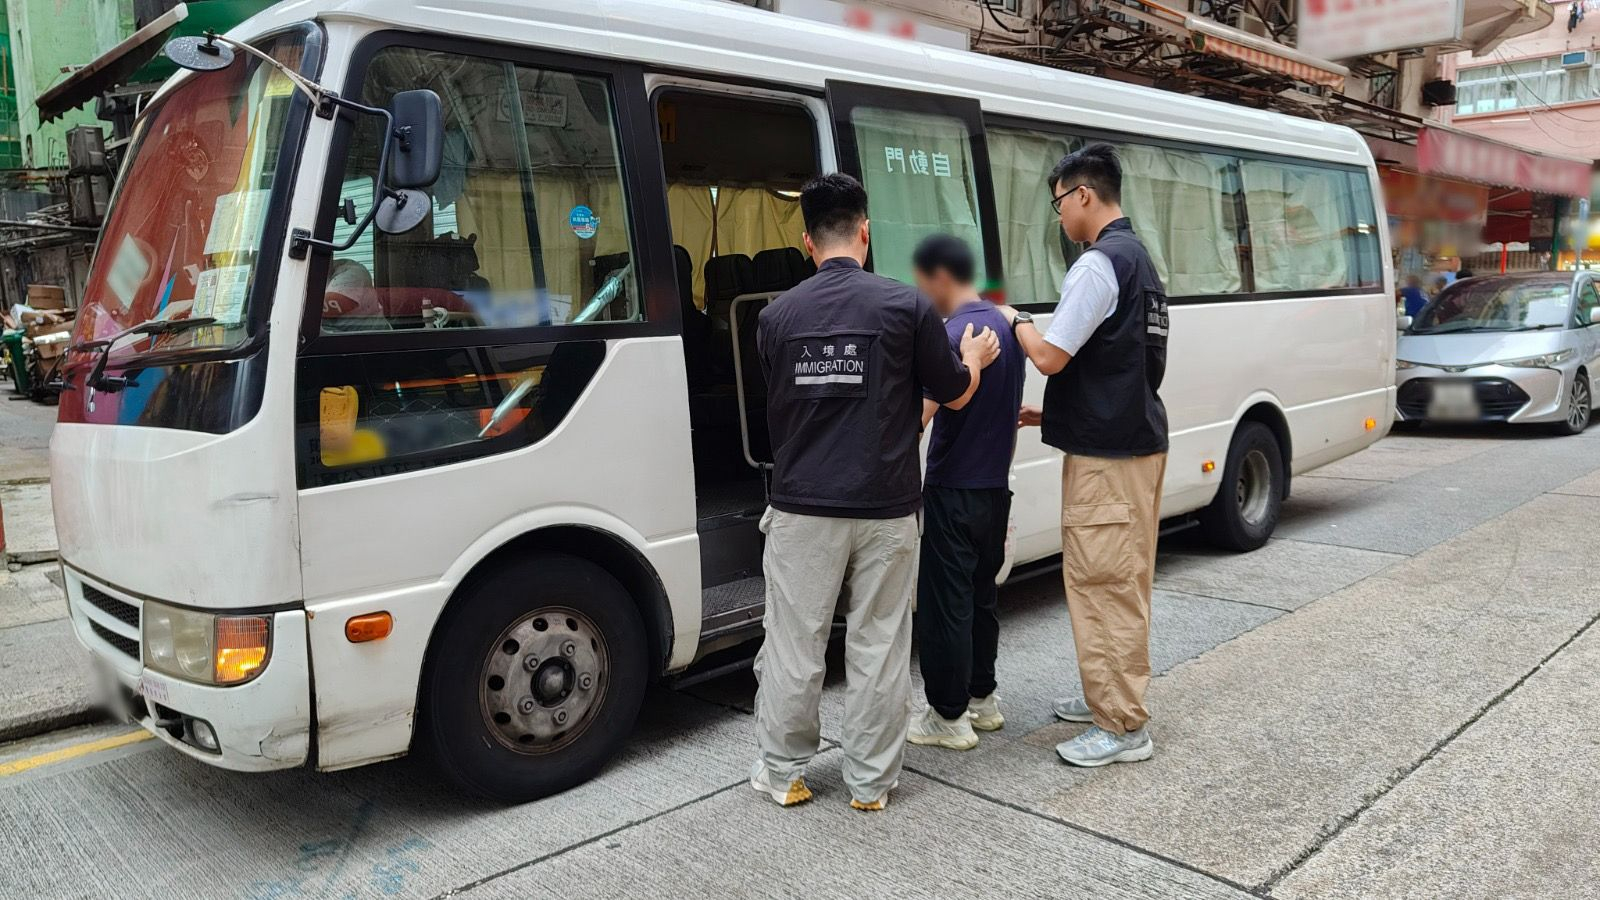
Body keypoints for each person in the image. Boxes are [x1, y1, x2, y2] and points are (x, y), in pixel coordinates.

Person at [750, 173, 1000, 810]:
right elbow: (953, 394)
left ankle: (783, 774)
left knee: (794, 643)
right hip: (888, 507)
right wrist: (973, 360)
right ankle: (870, 784)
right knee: (879, 645)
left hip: (802, 507)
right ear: (865, 232)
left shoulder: (775, 317)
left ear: (808, 242)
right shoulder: (907, 306)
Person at [996, 143, 1168, 767]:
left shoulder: (1098, 265)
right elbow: (1122, 366)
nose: (1060, 216)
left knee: (1103, 583)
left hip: (1108, 460)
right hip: (1134, 444)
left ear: (1084, 195)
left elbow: (1050, 356)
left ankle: (1120, 724)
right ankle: (1107, 696)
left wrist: (1014, 317)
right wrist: (1054, 414)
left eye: (1059, 204)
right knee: (1121, 578)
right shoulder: (1140, 260)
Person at [905, 234, 1025, 752]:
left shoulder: (951, 334)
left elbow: (921, 417)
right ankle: (983, 699)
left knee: (945, 605)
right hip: (995, 487)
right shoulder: (1008, 328)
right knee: (981, 598)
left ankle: (947, 716)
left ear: (939, 277)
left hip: (953, 488)